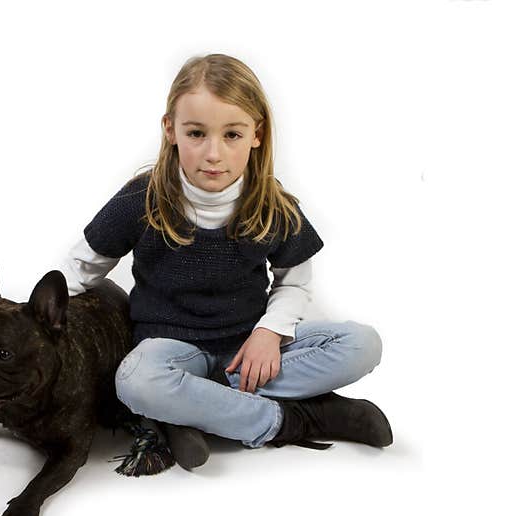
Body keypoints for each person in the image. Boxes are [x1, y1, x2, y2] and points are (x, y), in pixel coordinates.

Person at [61, 54, 392, 470]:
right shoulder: (141, 198)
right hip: (171, 348)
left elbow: (294, 283)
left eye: (232, 135)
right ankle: (297, 418)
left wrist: (270, 333)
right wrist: (30, 317)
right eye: (196, 133)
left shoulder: (271, 203)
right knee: (134, 380)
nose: (213, 153)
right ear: (171, 130)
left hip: (247, 347)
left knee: (362, 344)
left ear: (257, 134)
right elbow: (80, 268)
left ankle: (197, 409)